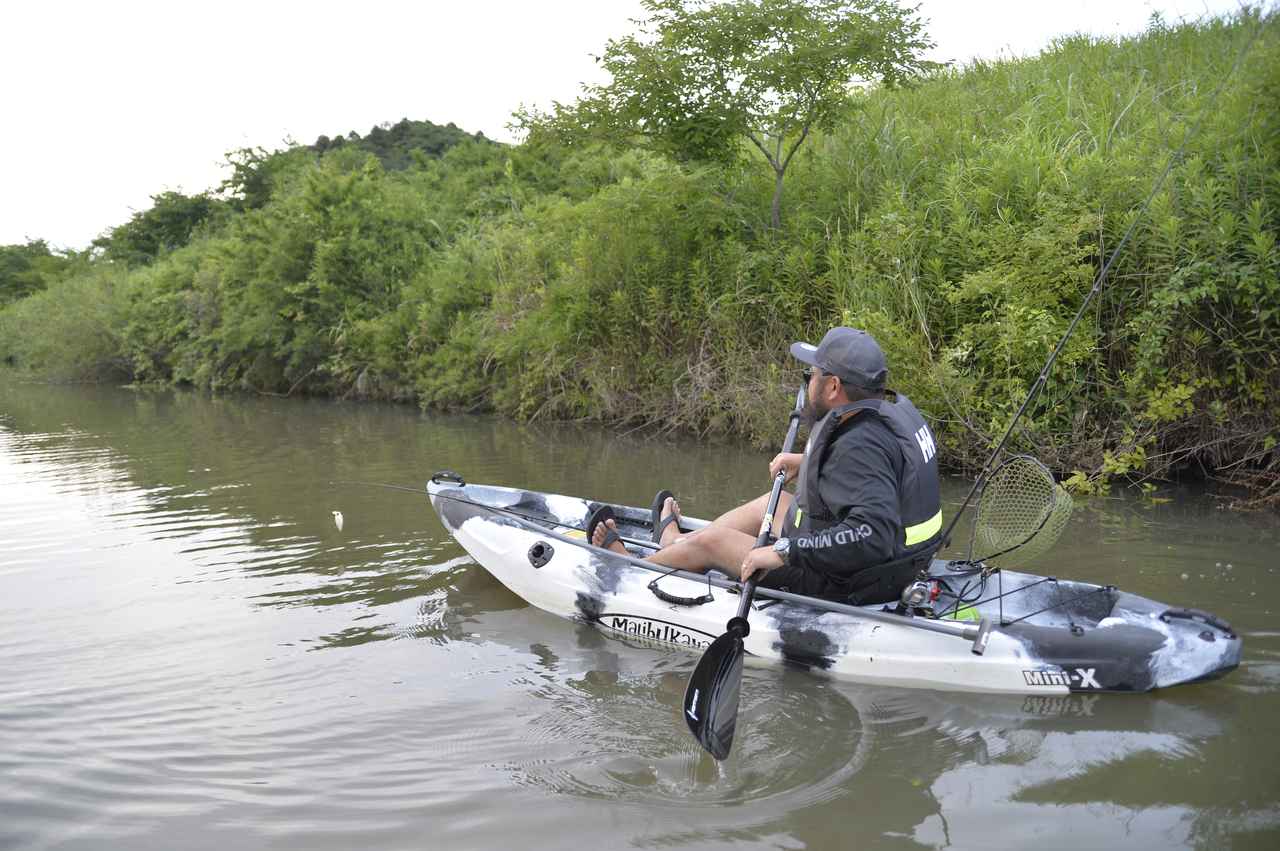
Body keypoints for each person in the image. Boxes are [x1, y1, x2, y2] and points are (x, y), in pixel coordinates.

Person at [589, 327, 944, 604]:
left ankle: (634, 569)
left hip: (849, 580)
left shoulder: (857, 445)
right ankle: (675, 544)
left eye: (812, 376)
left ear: (834, 385)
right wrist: (810, 463)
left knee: (713, 541)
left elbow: (872, 535)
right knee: (769, 504)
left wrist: (785, 550)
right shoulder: (889, 414)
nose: (808, 383)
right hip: (898, 565)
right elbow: (885, 473)